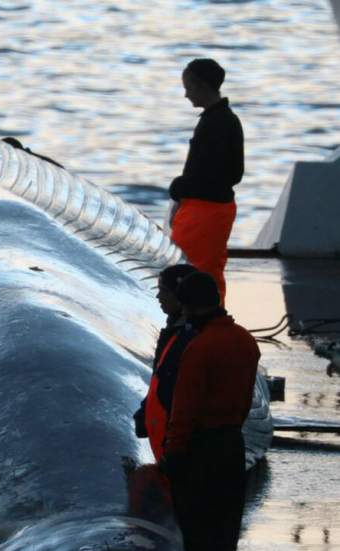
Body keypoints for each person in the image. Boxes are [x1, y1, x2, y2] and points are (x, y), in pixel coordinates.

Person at [161, 272, 260, 551]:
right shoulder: (245, 340)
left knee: (197, 532)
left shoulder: (199, 347)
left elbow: (185, 406)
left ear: (188, 306)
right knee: (225, 530)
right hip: (232, 444)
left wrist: (174, 452)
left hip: (200, 449)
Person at [168, 58, 244, 303]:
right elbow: (231, 173)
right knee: (209, 270)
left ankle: (197, 322)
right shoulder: (222, 120)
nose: (186, 94)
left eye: (188, 87)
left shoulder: (217, 123)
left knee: (190, 271)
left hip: (205, 211)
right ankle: (212, 319)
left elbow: (220, 174)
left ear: (201, 86)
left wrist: (180, 187)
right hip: (213, 209)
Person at [133, 263, 198, 461]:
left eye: (163, 291)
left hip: (181, 445)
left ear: (180, 296)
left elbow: (174, 387)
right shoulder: (177, 332)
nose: (158, 297)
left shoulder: (187, 338)